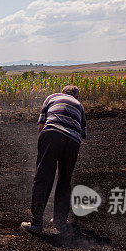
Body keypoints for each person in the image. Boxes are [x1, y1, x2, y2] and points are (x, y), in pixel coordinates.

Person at [21, 85, 87, 235]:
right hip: (73, 142)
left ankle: (36, 223)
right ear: (76, 96)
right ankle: (60, 222)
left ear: (62, 93)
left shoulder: (52, 97)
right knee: (64, 180)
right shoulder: (79, 106)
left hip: (52, 134)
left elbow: (41, 126)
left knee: (43, 177)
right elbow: (83, 133)